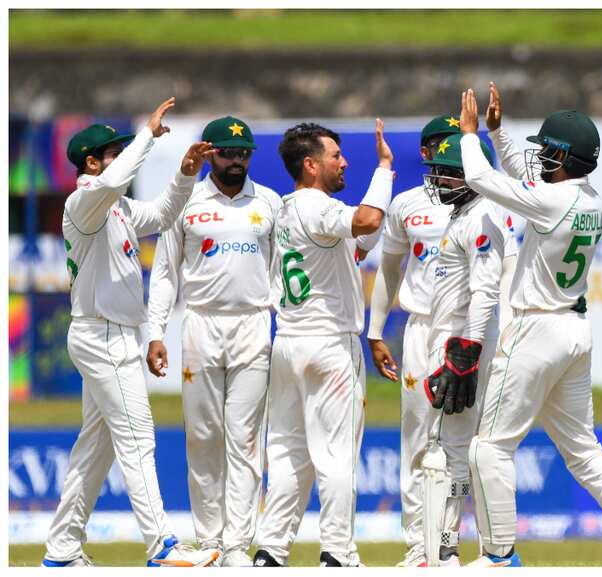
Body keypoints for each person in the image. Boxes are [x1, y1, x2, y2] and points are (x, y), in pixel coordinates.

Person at [456, 84, 602, 567]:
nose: (538, 158)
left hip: (534, 331)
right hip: (575, 333)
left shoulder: (552, 201)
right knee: (583, 448)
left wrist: (472, 134)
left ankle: (498, 557)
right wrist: (499, 133)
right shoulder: (588, 201)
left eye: (546, 153)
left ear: (561, 156)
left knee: (489, 448)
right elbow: (526, 181)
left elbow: (479, 178)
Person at [43, 97, 221, 567]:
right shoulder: (83, 202)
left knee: (95, 449)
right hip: (101, 335)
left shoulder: (117, 209)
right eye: (113, 152)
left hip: (114, 334)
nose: (120, 158)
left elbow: (162, 215)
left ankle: (61, 550)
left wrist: (184, 175)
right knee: (138, 437)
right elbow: (114, 179)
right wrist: (146, 134)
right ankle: (161, 545)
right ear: (91, 162)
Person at [252, 120, 393, 567]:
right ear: (311, 165)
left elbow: (355, 245)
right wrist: (385, 169)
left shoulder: (286, 210)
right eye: (336, 155)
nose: (344, 161)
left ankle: (270, 551)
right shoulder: (318, 207)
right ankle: (338, 552)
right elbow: (367, 219)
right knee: (335, 456)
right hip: (330, 344)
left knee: (290, 455)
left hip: (289, 342)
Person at [145, 116, 282, 567]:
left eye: (243, 153)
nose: (237, 161)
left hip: (252, 325)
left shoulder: (269, 202)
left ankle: (238, 544)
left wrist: (280, 319)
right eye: (228, 152)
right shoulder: (185, 200)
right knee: (204, 435)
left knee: (244, 439)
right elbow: (165, 273)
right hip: (201, 325)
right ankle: (209, 541)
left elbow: (281, 271)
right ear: (208, 153)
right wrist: (155, 332)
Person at [364, 114, 462, 568]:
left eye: (457, 143)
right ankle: (418, 549)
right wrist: (376, 329)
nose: (449, 153)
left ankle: (448, 546)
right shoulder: (405, 204)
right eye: (441, 145)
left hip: (466, 332)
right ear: (425, 153)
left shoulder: (482, 198)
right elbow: (388, 269)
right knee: (418, 442)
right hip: (421, 329)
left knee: (462, 443)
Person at [415, 133, 517, 566]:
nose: (436, 179)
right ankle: (457, 550)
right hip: (458, 339)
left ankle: (447, 551)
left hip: (463, 342)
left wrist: (465, 355)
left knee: (451, 448)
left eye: (446, 172)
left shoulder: (481, 217)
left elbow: (484, 293)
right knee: (455, 446)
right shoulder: (465, 214)